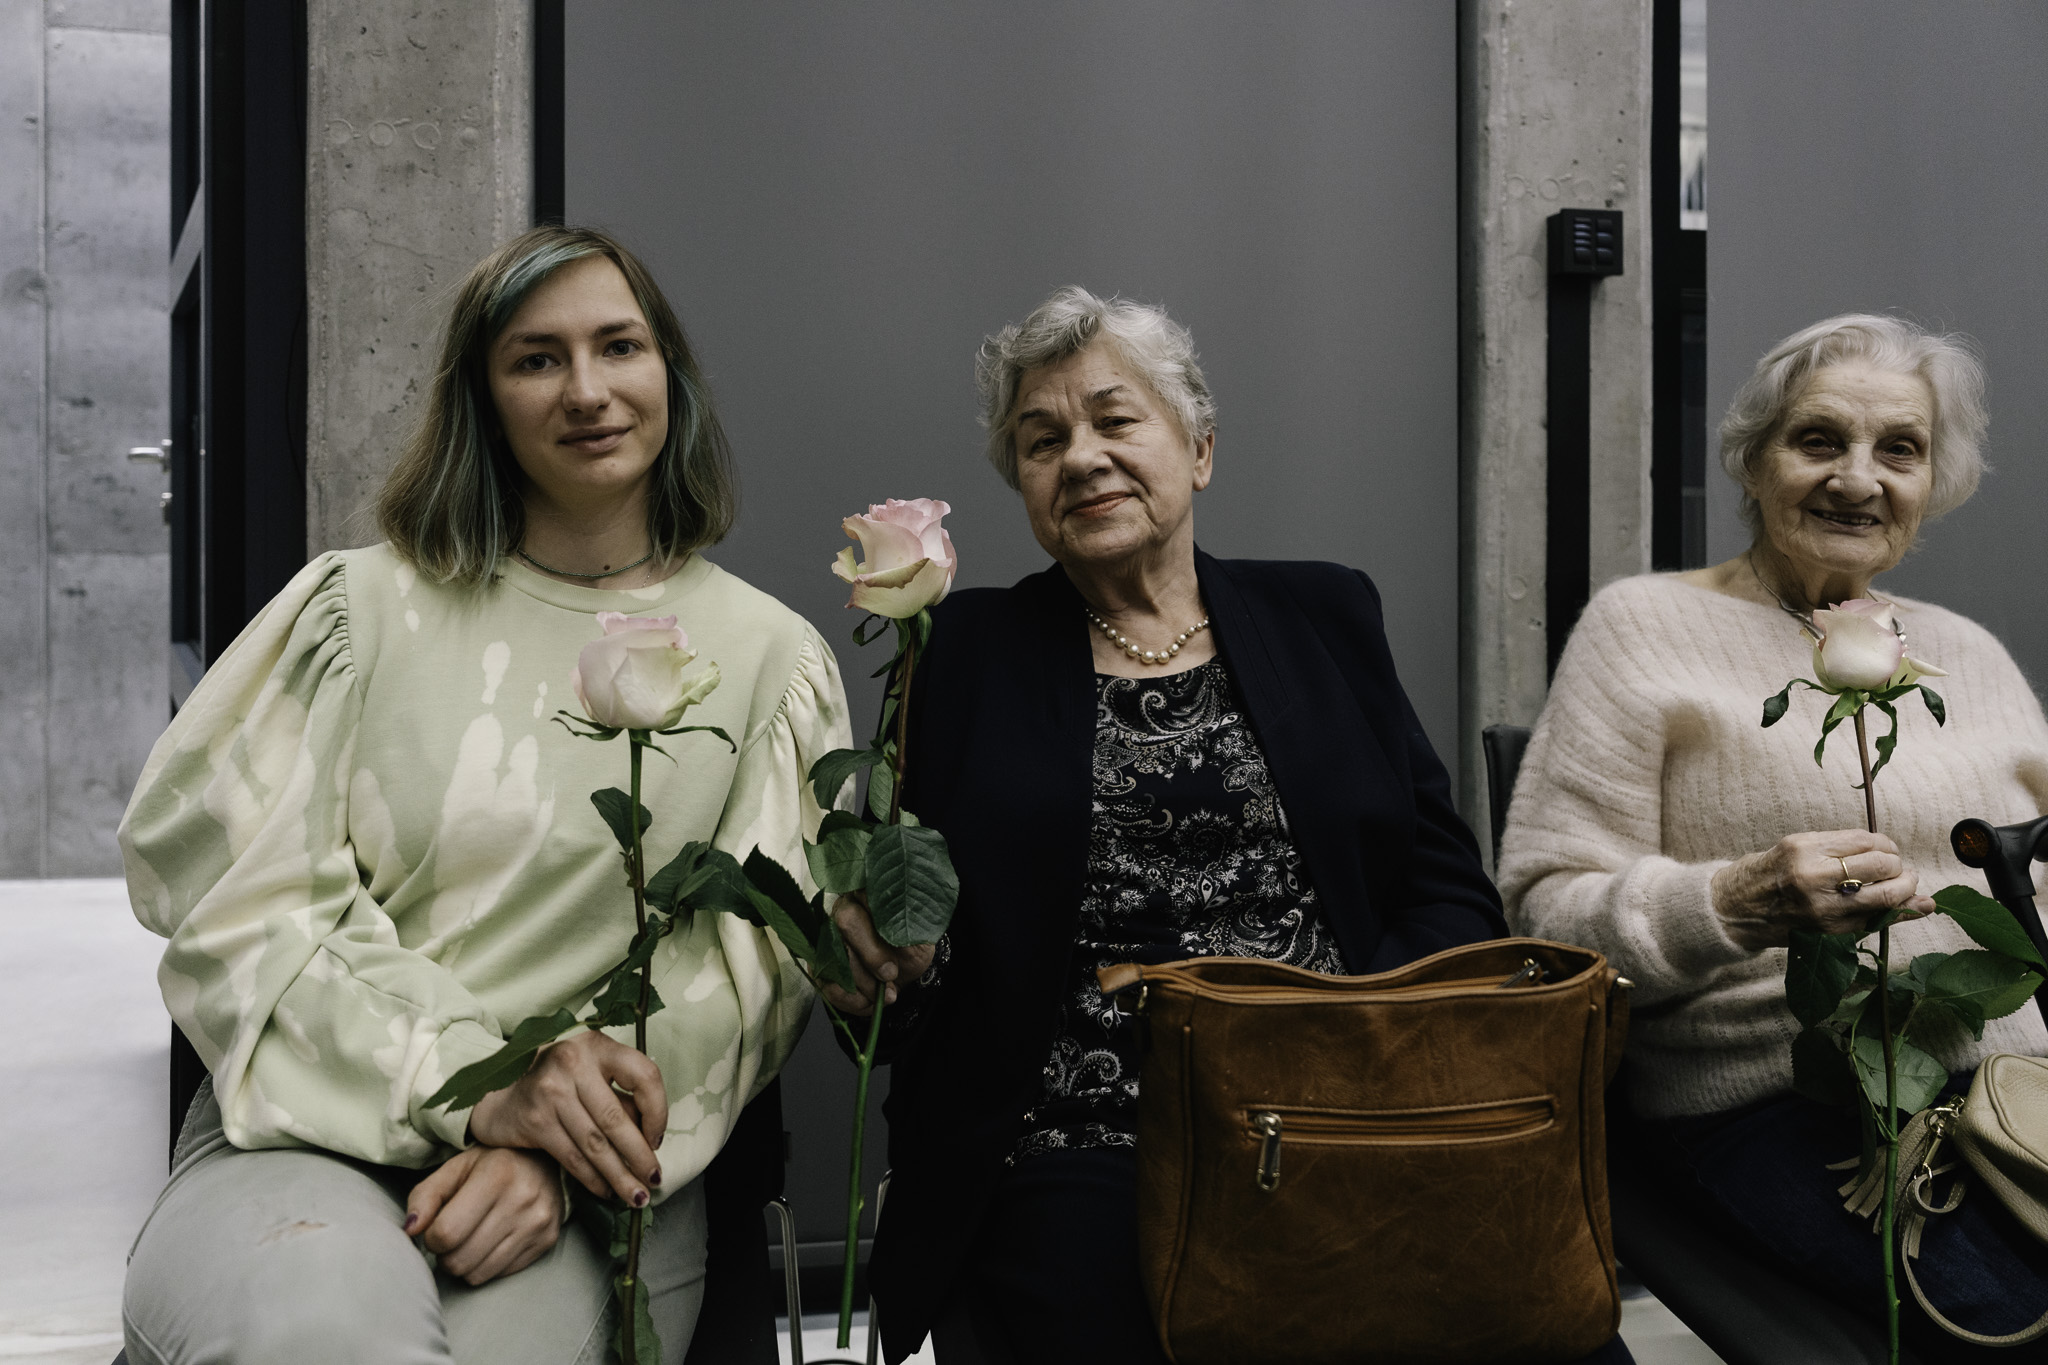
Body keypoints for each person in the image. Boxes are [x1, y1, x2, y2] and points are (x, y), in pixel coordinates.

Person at [827, 286, 1631, 1365]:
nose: (1081, 457)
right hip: (1086, 1132)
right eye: (1041, 440)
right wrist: (879, 961)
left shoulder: (1325, 612)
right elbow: (905, 930)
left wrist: (1358, 1049)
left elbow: (1443, 886)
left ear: (1199, 449)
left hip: (1350, 1105)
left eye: (1115, 419)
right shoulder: (961, 651)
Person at [117, 225, 849, 1365]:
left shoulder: (771, 662)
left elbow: (743, 977)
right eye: (536, 359)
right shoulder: (355, 611)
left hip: (591, 1183)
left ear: (671, 373)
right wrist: (483, 1090)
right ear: (483, 398)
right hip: (307, 1136)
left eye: (620, 346)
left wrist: (556, 1144)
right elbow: (240, 908)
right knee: (324, 1337)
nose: (587, 390)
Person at [1501, 313, 2048, 1356]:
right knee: (2010, 1329)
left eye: (1898, 449)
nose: (1858, 478)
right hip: (1775, 1100)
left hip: (2013, 1087)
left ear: (1932, 481)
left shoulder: (1964, 653)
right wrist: (1735, 901)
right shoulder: (1641, 627)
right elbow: (1546, 920)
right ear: (1753, 461)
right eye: (1817, 441)